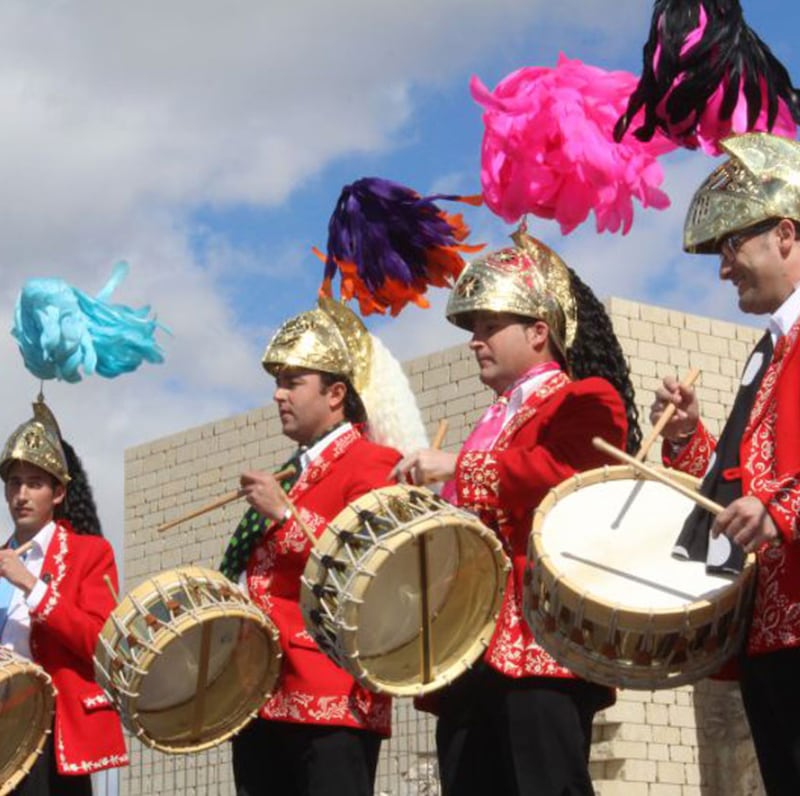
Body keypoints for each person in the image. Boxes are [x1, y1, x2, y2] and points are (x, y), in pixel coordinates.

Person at [393, 228, 640, 796]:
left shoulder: (586, 397)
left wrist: (459, 467)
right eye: (472, 330)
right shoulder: (491, 418)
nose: (475, 341)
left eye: (488, 327)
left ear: (538, 331)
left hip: (540, 638)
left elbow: (569, 475)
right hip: (467, 645)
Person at [222, 297, 427, 796]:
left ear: (336, 393)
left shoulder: (375, 462)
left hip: (331, 690)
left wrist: (286, 516)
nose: (278, 395)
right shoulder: (294, 470)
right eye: (277, 383)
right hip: (262, 693)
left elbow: (372, 567)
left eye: (293, 382)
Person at [650, 132, 800, 796]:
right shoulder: (766, 353)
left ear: (786, 234)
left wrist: (780, 509)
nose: (722, 268)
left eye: (732, 245)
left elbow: (770, 500)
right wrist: (688, 437)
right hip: (770, 640)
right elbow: (738, 489)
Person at [0, 396, 127, 796]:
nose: (21, 495)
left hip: (54, 735)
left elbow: (101, 642)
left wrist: (33, 588)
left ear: (57, 494)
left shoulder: (90, 553)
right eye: (14, 483)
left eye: (34, 483)